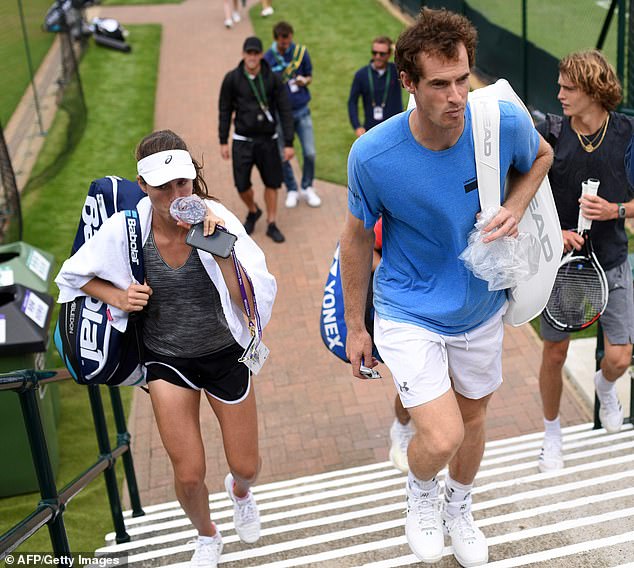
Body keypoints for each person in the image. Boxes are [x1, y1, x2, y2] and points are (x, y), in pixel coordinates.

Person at [339, 8, 552, 567]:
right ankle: (422, 493)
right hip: (408, 308)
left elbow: (543, 156)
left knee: (475, 421)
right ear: (408, 83)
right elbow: (357, 241)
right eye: (439, 84)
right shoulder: (373, 156)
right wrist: (354, 325)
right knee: (440, 436)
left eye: (463, 78)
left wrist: (515, 202)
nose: (456, 95)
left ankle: (460, 507)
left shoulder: (499, 119)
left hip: (480, 307)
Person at [55, 130, 277, 568]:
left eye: (183, 182)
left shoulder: (217, 221)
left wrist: (221, 253)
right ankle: (207, 536)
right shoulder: (127, 228)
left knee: (246, 465)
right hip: (166, 360)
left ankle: (241, 493)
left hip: (224, 355)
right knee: (189, 473)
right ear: (143, 185)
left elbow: (250, 302)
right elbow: (72, 274)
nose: (177, 194)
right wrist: (116, 296)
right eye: (164, 186)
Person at [536, 50, 634, 472]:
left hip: (612, 259)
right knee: (554, 354)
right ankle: (551, 435)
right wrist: (553, 234)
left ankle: (605, 389)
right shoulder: (551, 133)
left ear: (593, 90)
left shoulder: (628, 134)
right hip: (559, 265)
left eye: (567, 88)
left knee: (619, 358)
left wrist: (616, 211)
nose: (558, 94)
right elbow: (517, 196)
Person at [219, 36, 294, 243]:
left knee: (272, 182)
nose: (252, 57)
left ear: (261, 55)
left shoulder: (273, 79)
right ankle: (253, 210)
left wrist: (288, 142)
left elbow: (285, 110)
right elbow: (225, 110)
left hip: (268, 140)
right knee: (241, 185)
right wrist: (223, 140)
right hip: (242, 139)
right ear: (243, 54)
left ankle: (271, 222)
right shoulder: (232, 79)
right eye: (248, 53)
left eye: (255, 53)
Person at [264, 21, 321, 208]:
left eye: (288, 40)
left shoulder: (301, 53)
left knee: (310, 152)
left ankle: (307, 186)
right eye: (282, 42)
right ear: (276, 39)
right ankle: (291, 189)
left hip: (302, 110)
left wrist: (304, 81)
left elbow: (310, 76)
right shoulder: (268, 58)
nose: (286, 44)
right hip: (280, 115)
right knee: (283, 155)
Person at [348, 36, 403, 138]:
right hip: (370, 131)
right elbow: (352, 102)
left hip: (395, 130)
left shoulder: (397, 71)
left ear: (389, 54)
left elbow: (412, 64)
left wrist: (397, 49)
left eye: (382, 54)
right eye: (374, 52)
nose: (377, 56)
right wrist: (357, 126)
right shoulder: (361, 75)